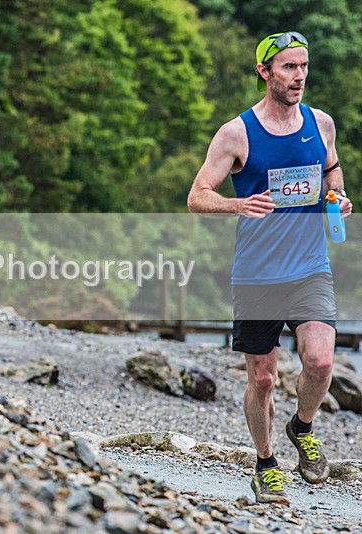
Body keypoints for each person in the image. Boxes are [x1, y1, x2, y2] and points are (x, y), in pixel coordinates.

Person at [188, 32, 352, 506]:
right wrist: (240, 204)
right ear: (265, 73)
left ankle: (301, 427)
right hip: (257, 275)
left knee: (320, 362)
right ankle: (265, 463)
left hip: (309, 268)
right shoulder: (236, 133)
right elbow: (197, 196)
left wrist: (336, 198)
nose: (299, 76)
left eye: (303, 66)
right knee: (261, 378)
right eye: (288, 68)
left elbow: (332, 172)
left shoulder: (320, 123)